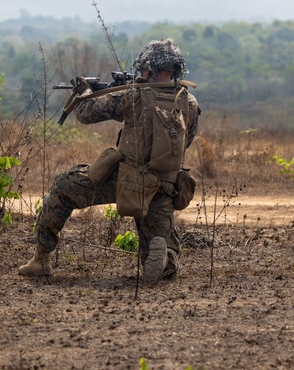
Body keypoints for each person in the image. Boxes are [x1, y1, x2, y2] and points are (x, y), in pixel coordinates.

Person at [18, 38, 200, 285]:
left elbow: (85, 113)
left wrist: (85, 91)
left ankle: (41, 259)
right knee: (157, 250)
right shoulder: (189, 102)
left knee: (63, 186)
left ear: (148, 69)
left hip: (124, 179)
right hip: (164, 187)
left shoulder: (133, 96)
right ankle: (167, 257)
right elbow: (186, 141)